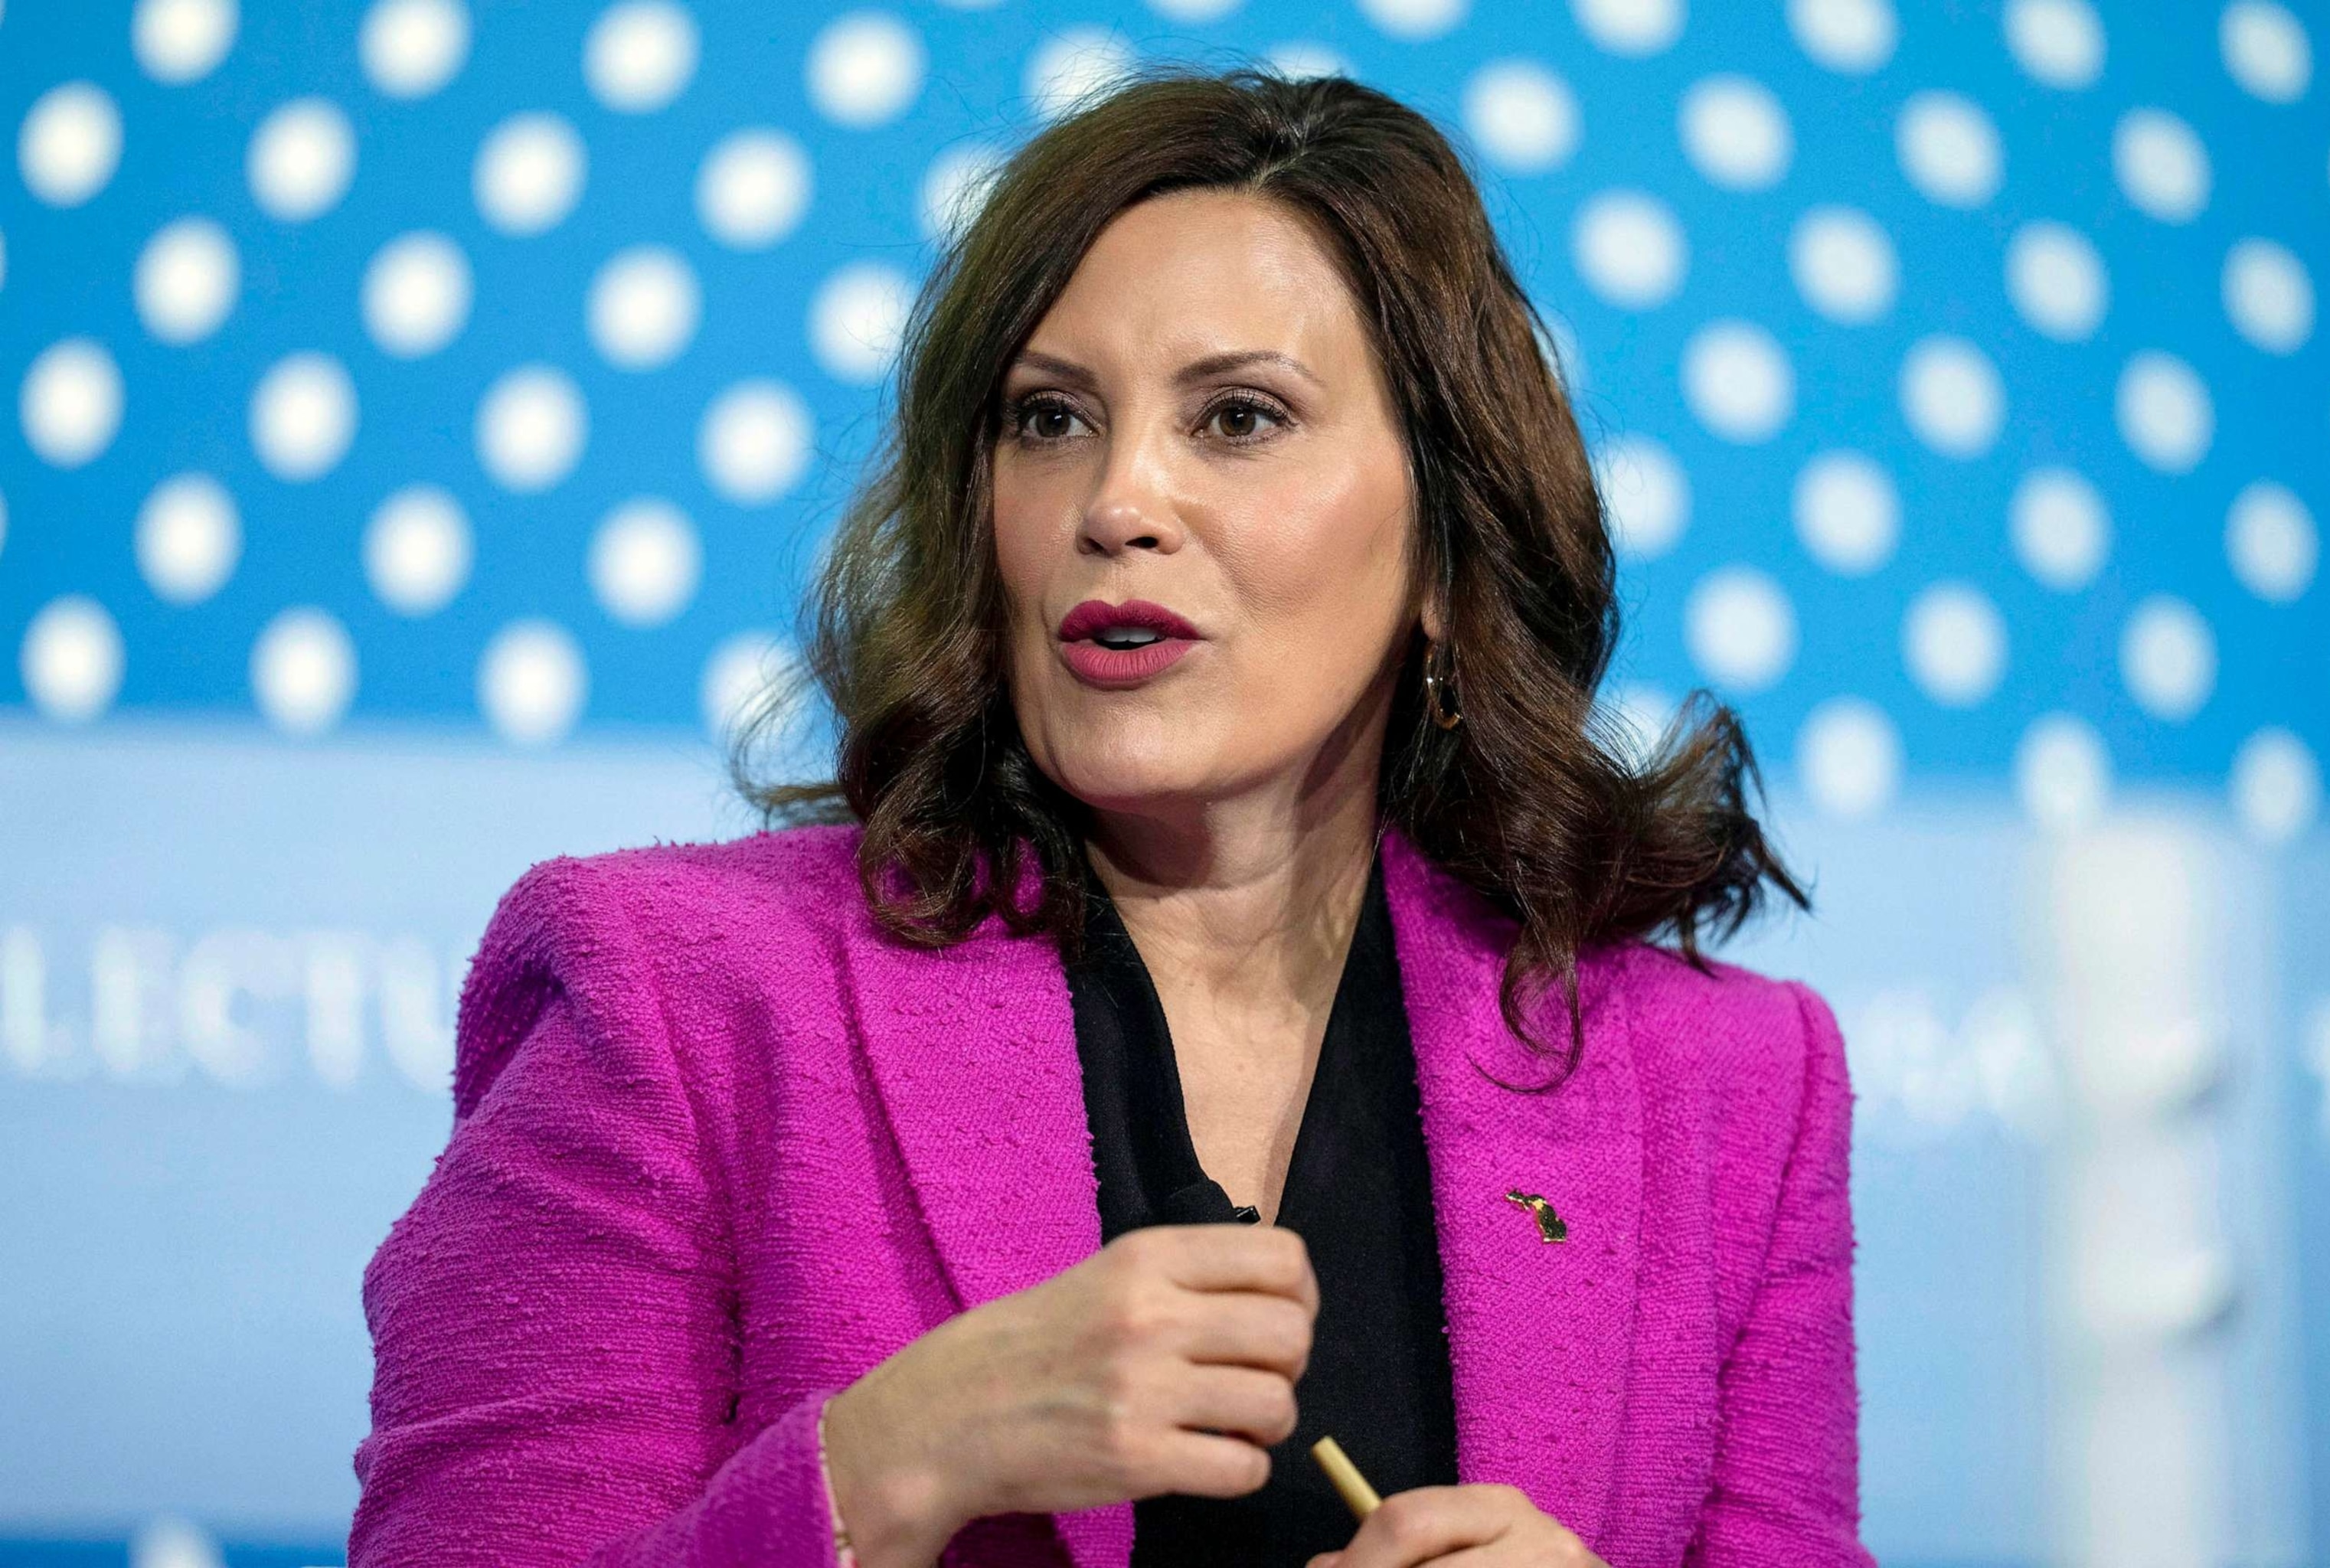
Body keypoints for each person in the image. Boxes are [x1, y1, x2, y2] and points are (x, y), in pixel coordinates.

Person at [348, 66, 1872, 1568]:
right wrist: (885, 1466)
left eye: (1238, 419)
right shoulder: (673, 994)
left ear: (1446, 553)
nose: (1116, 499)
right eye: (1050, 418)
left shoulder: (1730, 1089)